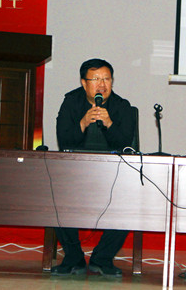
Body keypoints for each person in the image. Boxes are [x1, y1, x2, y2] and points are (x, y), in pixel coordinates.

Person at [52, 58, 136, 277]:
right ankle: (74, 259)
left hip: (113, 174)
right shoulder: (71, 103)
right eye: (96, 79)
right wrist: (82, 123)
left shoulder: (122, 106)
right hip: (75, 173)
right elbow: (64, 141)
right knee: (55, 198)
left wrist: (109, 124)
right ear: (84, 82)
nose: (102, 85)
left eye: (107, 79)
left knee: (128, 203)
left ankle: (102, 259)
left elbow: (126, 145)